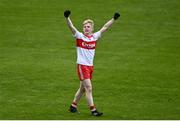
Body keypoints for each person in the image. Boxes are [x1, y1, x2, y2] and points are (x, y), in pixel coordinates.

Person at [64, 10, 120, 116]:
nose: (86, 28)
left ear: (92, 28)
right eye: (85, 26)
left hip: (90, 66)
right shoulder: (79, 36)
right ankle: (93, 110)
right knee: (89, 87)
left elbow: (105, 27)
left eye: (88, 26)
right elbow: (71, 27)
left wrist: (114, 19)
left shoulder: (95, 37)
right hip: (82, 65)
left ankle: (73, 106)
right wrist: (67, 18)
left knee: (82, 89)